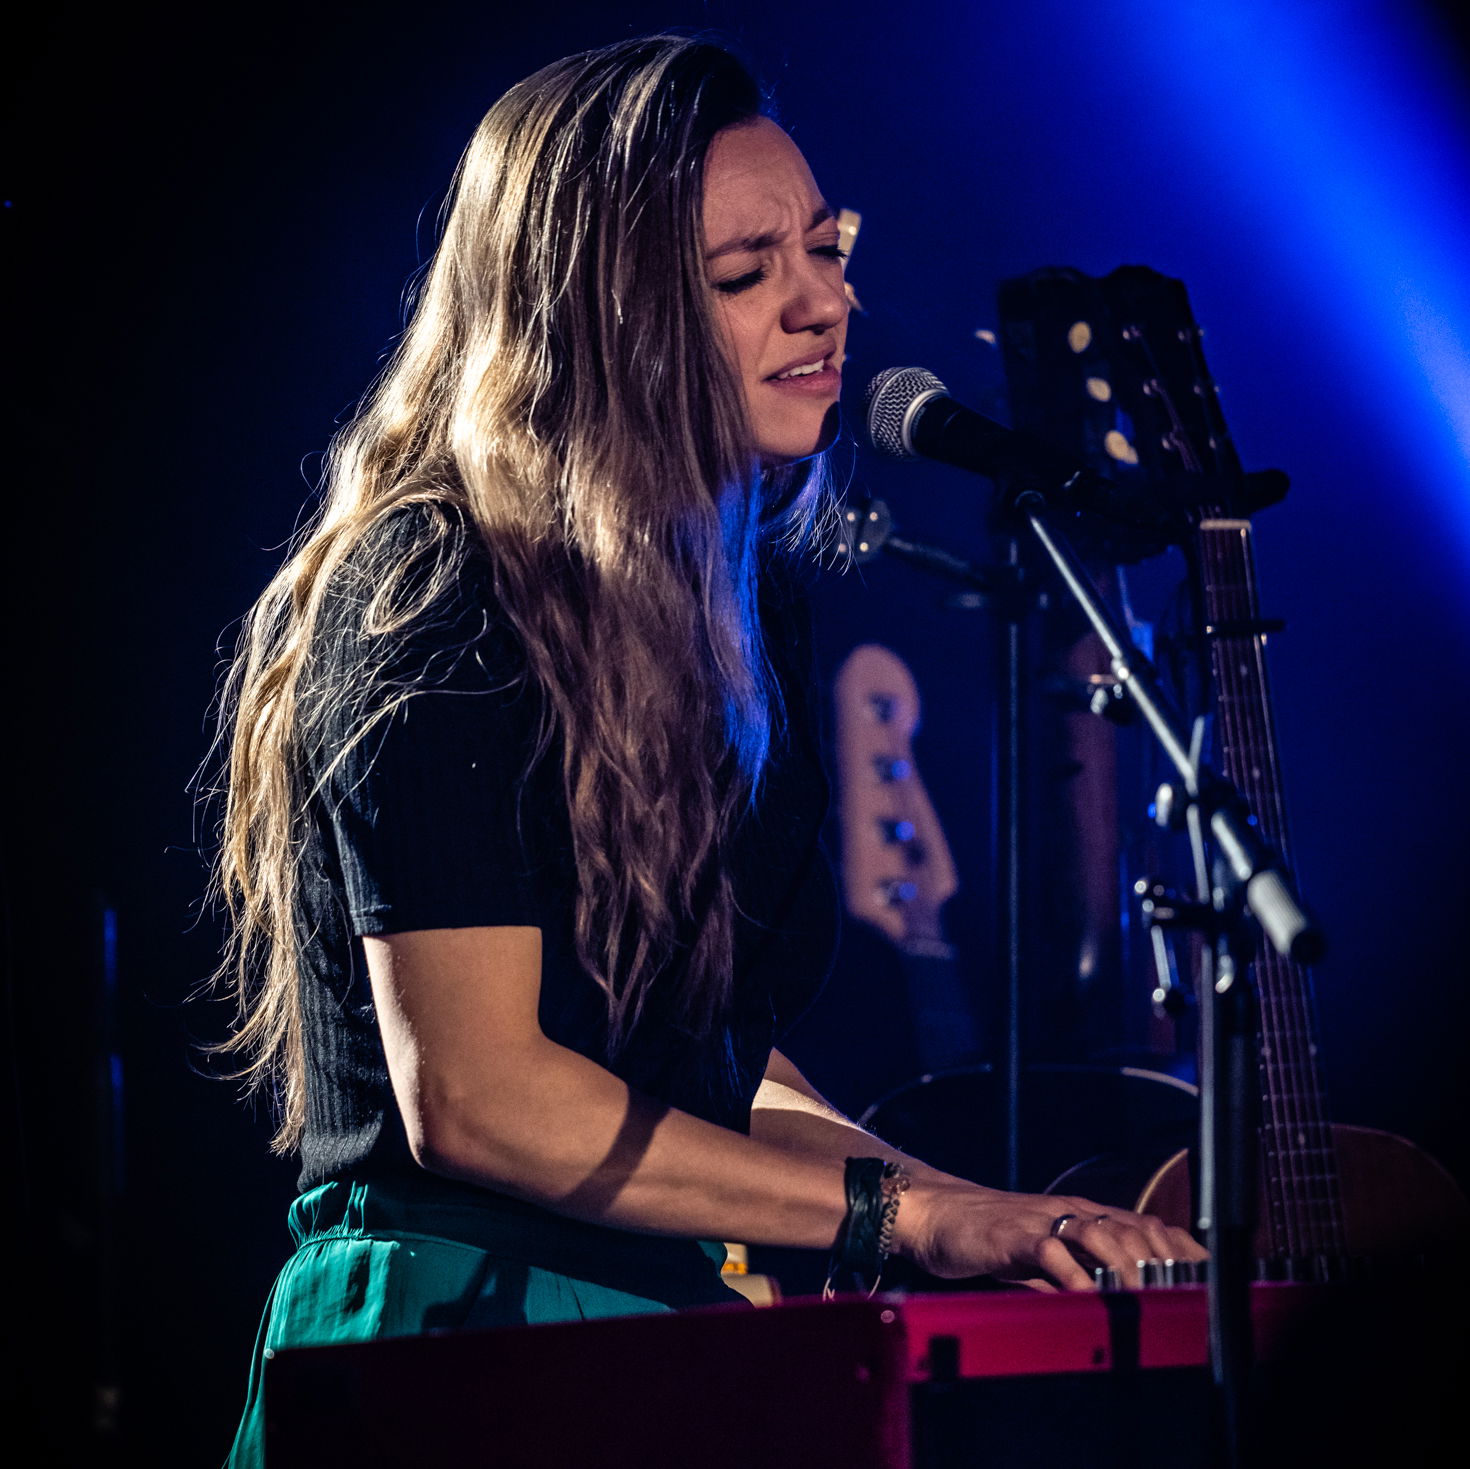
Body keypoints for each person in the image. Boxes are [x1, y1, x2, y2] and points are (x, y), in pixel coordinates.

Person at [208, 32, 1205, 1467]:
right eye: (744, 275)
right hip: (448, 1339)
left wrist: (986, 1209)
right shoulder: (435, 582)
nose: (826, 302)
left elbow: (703, 1070)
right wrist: (896, 1213)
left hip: (652, 1327)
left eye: (823, 246)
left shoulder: (737, 599)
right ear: (602, 314)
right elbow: (482, 1096)